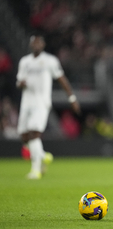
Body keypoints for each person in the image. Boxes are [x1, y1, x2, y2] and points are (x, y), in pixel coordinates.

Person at [17, 34, 80, 179]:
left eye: (39, 43)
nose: (36, 45)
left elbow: (61, 78)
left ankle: (36, 170)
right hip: (26, 102)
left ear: (43, 45)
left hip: (41, 102)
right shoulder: (24, 62)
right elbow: (19, 81)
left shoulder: (50, 61)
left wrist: (71, 97)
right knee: (24, 137)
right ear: (30, 44)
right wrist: (20, 84)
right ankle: (42, 155)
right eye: (34, 43)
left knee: (34, 133)